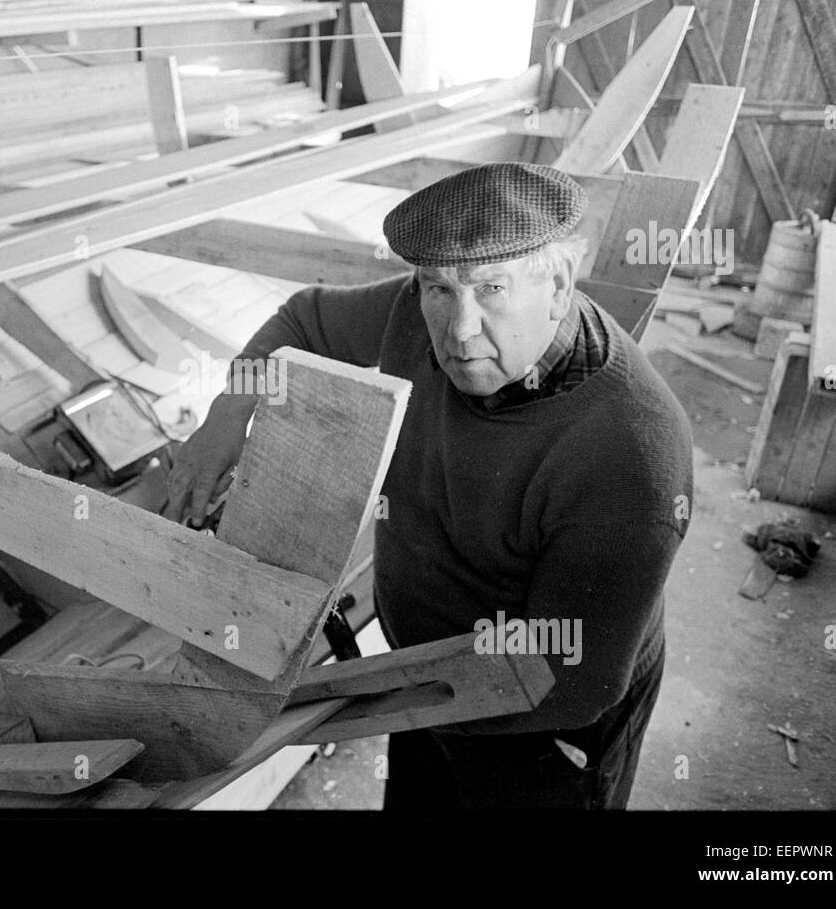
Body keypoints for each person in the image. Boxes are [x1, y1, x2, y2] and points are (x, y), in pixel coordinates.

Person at [162, 162, 693, 810]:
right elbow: (302, 321)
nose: (459, 327)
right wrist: (227, 413)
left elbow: (565, 676)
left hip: (540, 724)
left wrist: (371, 702)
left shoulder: (631, 453)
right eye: (438, 288)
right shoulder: (416, 315)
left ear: (558, 284)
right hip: (421, 679)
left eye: (491, 288)